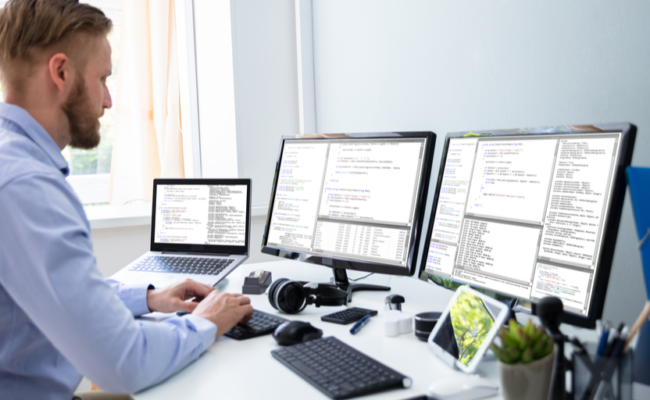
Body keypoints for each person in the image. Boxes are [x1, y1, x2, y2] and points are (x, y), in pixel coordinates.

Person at [0, 1, 253, 399]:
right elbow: (125, 363)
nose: (108, 101)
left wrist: (148, 298)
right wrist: (205, 322)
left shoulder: (11, 160)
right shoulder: (26, 187)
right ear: (61, 72)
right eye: (102, 79)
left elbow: (52, 295)